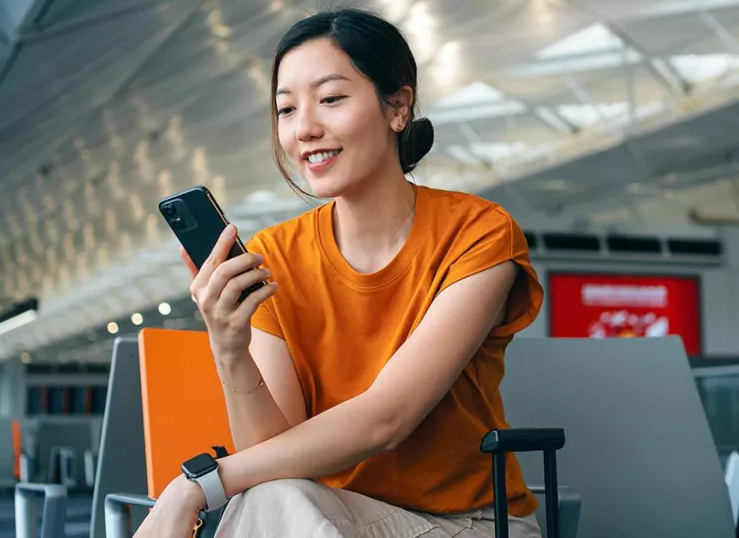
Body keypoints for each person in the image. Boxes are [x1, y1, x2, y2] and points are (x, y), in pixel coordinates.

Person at [136, 8, 545, 538]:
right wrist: (229, 347)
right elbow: (271, 459)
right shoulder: (274, 256)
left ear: (397, 106)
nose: (304, 128)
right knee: (273, 496)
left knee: (271, 502)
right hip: (323, 518)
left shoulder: (478, 232)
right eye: (286, 109)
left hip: (470, 523)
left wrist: (199, 484)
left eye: (330, 98)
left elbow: (387, 418)